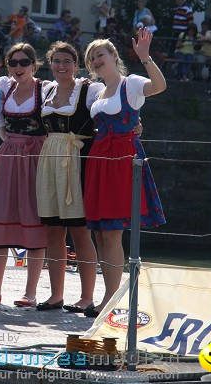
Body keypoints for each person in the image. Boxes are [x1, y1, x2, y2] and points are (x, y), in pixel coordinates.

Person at [83, 31, 166, 318]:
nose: (96, 60)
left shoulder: (130, 84)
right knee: (100, 232)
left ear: (114, 56)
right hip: (99, 161)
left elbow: (159, 86)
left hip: (122, 160)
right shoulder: (94, 91)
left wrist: (145, 58)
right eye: (92, 58)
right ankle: (111, 294)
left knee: (113, 231)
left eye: (101, 55)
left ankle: (112, 298)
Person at [0, 43, 48, 308]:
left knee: (34, 217)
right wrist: (12, 142)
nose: (19, 67)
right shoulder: (6, 88)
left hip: (35, 159)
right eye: (13, 62)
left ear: (34, 64)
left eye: (24, 62)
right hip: (8, 157)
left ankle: (30, 293)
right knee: (1, 218)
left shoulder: (45, 89)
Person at [35, 41, 101, 313]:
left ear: (76, 64)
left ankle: (87, 297)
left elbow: (111, 108)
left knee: (80, 231)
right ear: (50, 64)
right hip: (50, 159)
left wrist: (135, 123)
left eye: (66, 61)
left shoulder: (88, 90)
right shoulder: (47, 90)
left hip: (78, 159)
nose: (61, 66)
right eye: (56, 61)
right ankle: (56, 295)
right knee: (52, 230)